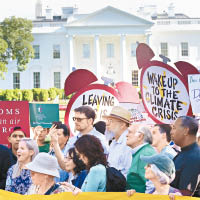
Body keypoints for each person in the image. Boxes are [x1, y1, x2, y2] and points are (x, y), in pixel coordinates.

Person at [50, 106, 108, 171]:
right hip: (74, 180)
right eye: (74, 118)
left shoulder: (100, 139)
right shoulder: (72, 140)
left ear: (90, 121)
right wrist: (55, 143)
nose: (76, 122)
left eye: (79, 119)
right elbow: (64, 166)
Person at [170, 116, 200, 197]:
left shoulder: (194, 157)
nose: (171, 132)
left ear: (185, 131)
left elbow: (185, 194)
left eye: (174, 128)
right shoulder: (183, 154)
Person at [103, 106, 132, 178]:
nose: (107, 124)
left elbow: (128, 172)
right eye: (108, 120)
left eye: (111, 121)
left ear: (122, 125)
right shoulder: (113, 142)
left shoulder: (128, 143)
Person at [126, 124, 156, 193]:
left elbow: (151, 186)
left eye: (130, 132)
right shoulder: (142, 152)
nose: (126, 135)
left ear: (140, 136)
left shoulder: (145, 154)